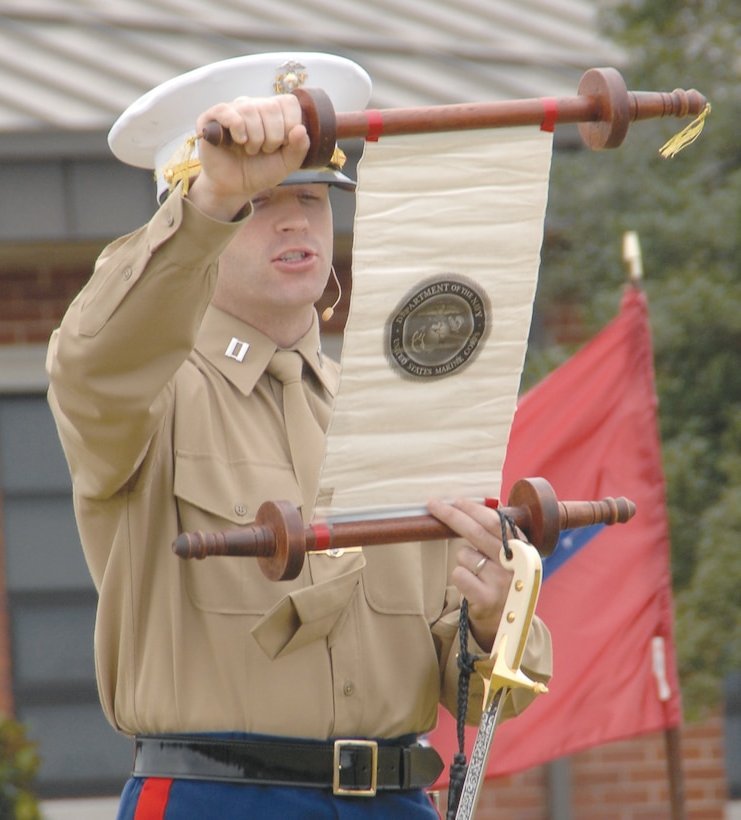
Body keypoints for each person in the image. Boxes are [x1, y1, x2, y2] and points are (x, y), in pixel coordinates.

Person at [46, 52, 551, 819]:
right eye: (262, 199)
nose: (294, 219)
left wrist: (494, 616)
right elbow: (95, 354)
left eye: (313, 197)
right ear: (194, 215)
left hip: (397, 798)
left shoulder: (395, 405)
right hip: (219, 796)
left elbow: (481, 694)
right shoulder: (147, 393)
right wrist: (217, 194)